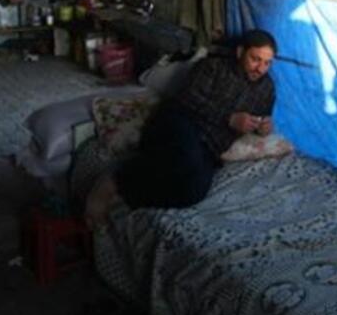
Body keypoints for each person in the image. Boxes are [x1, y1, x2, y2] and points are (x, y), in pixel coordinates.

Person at [85, 29, 278, 229]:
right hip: (180, 123)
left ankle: (123, 191)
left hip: (211, 146)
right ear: (240, 52)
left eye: (267, 63)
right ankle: (112, 182)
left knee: (192, 192)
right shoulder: (213, 67)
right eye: (255, 59)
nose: (260, 68)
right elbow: (188, 100)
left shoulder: (267, 88)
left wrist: (262, 127)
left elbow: (262, 117)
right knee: (185, 161)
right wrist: (229, 118)